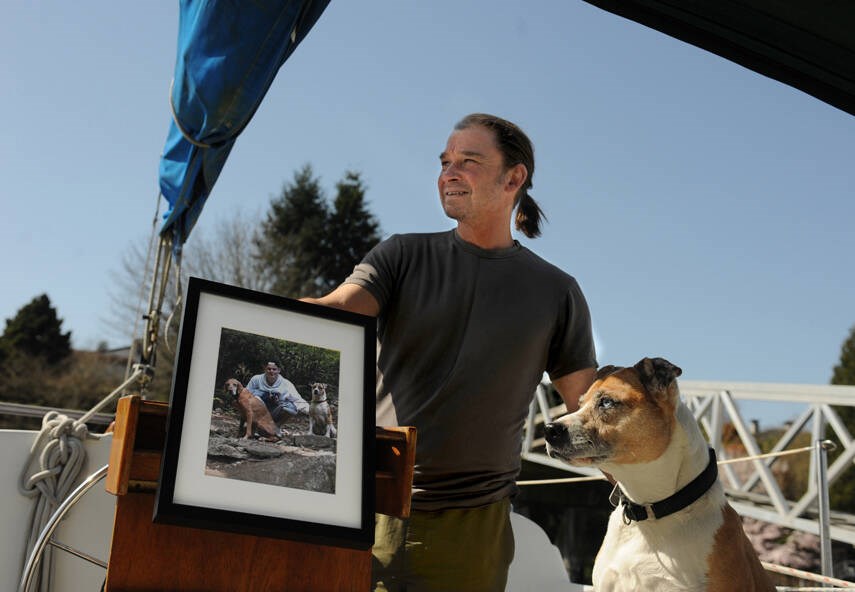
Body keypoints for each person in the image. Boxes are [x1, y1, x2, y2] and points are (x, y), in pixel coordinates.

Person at [302, 113, 597, 591]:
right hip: (363, 503)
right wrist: (237, 319)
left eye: (468, 161)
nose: (449, 173)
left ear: (514, 178)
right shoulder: (401, 255)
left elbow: (586, 409)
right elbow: (338, 309)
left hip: (473, 531)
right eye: (445, 162)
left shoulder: (557, 292)